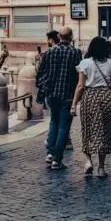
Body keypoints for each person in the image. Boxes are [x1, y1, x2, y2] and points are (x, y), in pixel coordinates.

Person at [71, 37, 111, 178]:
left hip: (89, 96)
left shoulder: (85, 63)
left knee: (88, 129)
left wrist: (74, 104)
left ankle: (88, 161)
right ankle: (102, 168)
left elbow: (80, 86)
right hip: (105, 97)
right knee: (104, 131)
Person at [37, 26, 82, 171]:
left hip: (51, 94)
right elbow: (78, 75)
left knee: (53, 123)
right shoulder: (76, 53)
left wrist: (45, 87)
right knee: (63, 126)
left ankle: (50, 153)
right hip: (68, 95)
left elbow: (41, 72)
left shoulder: (49, 52)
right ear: (71, 37)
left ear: (58, 36)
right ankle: (57, 159)